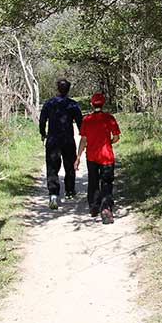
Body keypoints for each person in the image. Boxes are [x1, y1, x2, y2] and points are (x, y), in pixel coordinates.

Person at [74, 92, 121, 224]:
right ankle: (106, 208)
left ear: (91, 104)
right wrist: (109, 142)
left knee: (93, 181)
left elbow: (83, 140)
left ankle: (94, 206)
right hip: (107, 156)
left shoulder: (87, 120)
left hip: (92, 157)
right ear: (103, 103)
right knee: (106, 183)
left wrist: (78, 157)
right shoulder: (110, 118)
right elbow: (117, 137)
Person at [39, 79, 83, 210]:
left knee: (52, 167)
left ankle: (53, 195)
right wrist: (84, 135)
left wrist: (43, 133)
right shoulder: (73, 105)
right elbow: (80, 122)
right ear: (68, 90)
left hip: (53, 140)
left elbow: (42, 120)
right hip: (68, 140)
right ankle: (69, 191)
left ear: (57, 89)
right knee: (69, 165)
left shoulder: (49, 103)